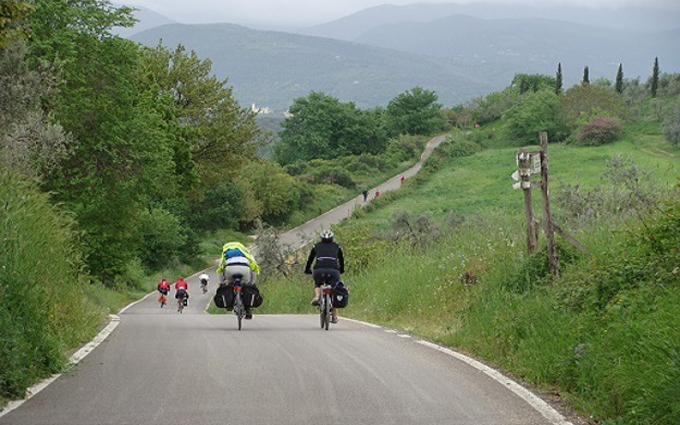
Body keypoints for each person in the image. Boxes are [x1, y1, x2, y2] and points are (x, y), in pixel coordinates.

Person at [304, 230, 344, 323]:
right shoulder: (337, 246)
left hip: (319, 270)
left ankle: (318, 296)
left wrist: (307, 269)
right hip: (333, 271)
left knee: (318, 283)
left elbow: (310, 259)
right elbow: (341, 260)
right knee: (334, 290)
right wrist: (341, 270)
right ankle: (334, 316)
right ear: (332, 238)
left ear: (321, 238)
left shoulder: (316, 246)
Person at [216, 242, 261, 319]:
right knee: (246, 286)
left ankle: (229, 303)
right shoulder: (247, 254)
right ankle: (248, 310)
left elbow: (220, 269)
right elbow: (254, 269)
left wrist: (222, 283)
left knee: (229, 284)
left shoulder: (225, 254)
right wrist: (251, 283)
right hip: (245, 268)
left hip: (230, 268)